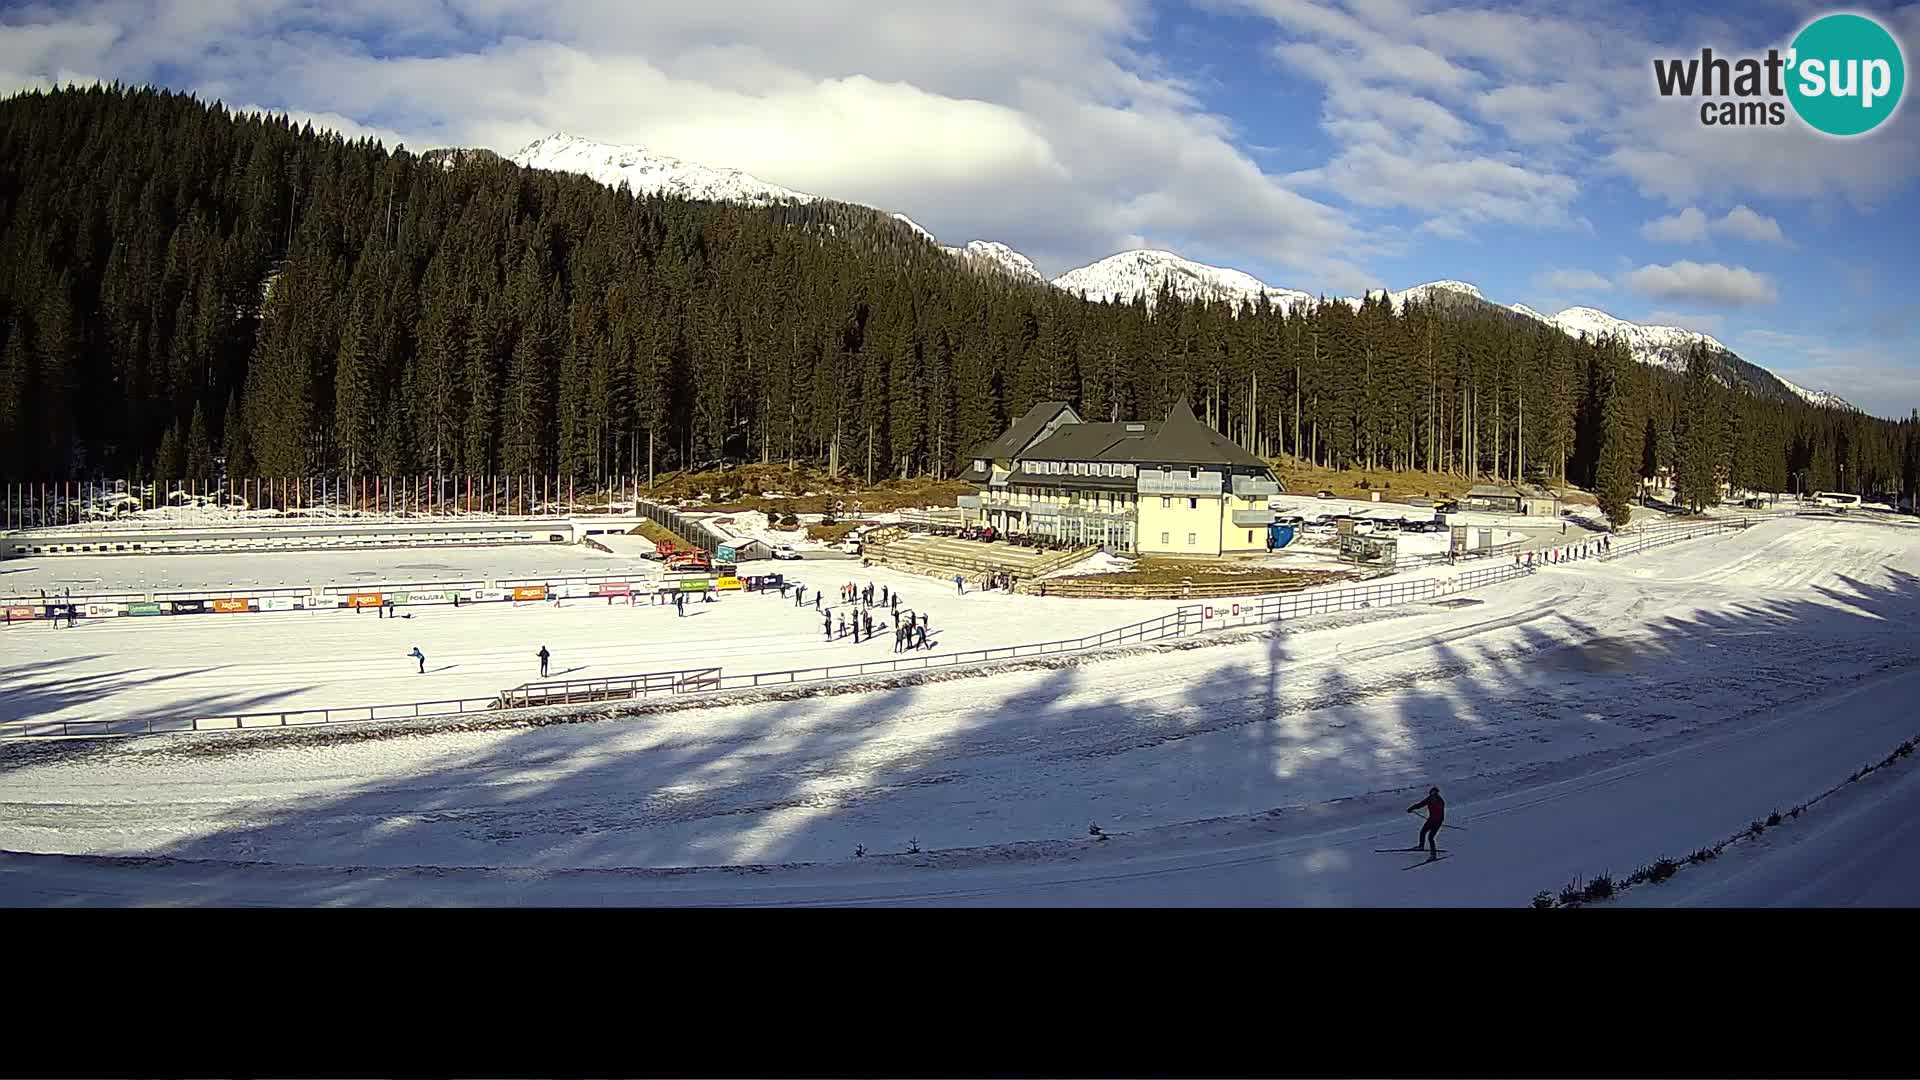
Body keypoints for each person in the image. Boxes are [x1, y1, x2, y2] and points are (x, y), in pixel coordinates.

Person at [1406, 787, 1445, 859]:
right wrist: (1411, 808)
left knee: (1430, 837)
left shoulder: (1440, 801)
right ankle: (1421, 846)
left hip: (1437, 821)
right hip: (1431, 820)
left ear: (1437, 793)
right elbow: (1421, 804)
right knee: (1423, 832)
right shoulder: (1429, 799)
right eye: (1432, 793)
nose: (1432, 794)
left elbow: (1440, 813)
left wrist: (1438, 821)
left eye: (1434, 793)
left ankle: (1433, 855)